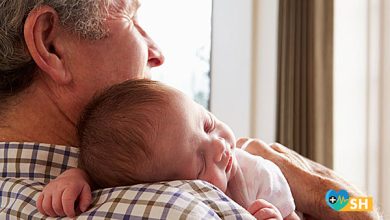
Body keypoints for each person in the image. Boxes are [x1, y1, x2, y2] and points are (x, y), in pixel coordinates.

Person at [0, 0, 380, 219]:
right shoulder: (176, 206)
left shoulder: (91, 178)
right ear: (50, 42)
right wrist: (347, 200)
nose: (158, 53)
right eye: (129, 17)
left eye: (208, 123)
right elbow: (354, 208)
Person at [38, 79, 301, 220]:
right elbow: (109, 180)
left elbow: (293, 213)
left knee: (340, 200)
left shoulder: (257, 173)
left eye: (207, 124)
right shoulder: (157, 193)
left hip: (324, 201)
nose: (220, 146)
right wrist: (78, 176)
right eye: (200, 162)